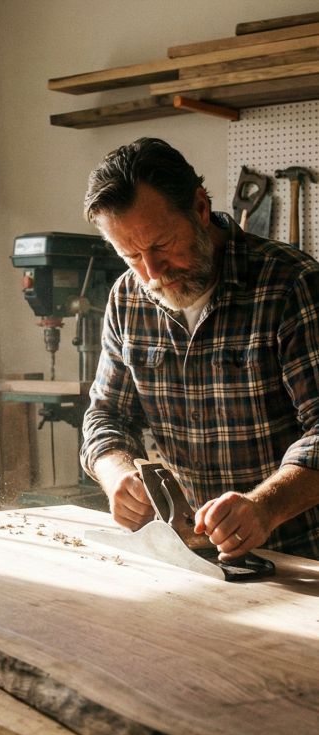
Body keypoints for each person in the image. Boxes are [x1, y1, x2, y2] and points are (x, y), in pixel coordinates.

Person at [80, 137, 319, 560]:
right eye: (131, 255)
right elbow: (106, 416)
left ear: (200, 207)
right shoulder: (127, 299)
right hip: (195, 559)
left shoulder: (291, 286)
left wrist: (263, 508)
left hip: (300, 558)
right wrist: (117, 473)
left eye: (161, 245)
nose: (151, 272)